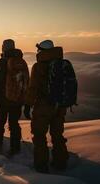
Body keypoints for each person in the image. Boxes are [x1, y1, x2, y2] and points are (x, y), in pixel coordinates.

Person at [25, 40, 77, 173]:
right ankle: (61, 163)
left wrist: (27, 104)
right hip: (60, 107)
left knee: (39, 135)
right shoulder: (63, 64)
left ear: (42, 50)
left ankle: (41, 166)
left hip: (43, 106)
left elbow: (33, 88)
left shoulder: (38, 66)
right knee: (57, 135)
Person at [0, 39, 29, 156]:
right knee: (14, 124)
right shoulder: (22, 62)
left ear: (4, 48)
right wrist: (25, 100)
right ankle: (15, 148)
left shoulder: (1, 62)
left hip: (2, 99)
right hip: (17, 100)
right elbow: (26, 82)